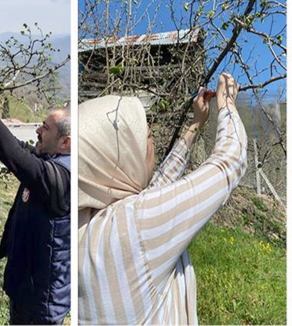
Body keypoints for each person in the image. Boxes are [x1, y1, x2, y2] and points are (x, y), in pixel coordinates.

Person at [78, 73, 247, 324]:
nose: (152, 142)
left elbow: (157, 188)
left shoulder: (87, 220)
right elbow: (229, 161)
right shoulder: (134, 226)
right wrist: (227, 103)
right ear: (122, 156)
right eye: (146, 136)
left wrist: (195, 125)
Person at [0, 96, 71, 324]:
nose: (38, 130)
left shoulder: (62, 178)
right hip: (28, 291)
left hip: (41, 303)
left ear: (65, 142)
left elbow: (15, 156)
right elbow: (14, 148)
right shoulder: (50, 160)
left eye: (45, 127)